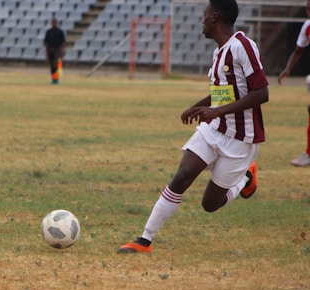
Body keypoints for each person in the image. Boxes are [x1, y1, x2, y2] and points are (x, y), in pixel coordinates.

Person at [118, 0, 269, 254]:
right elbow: (224, 94)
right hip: (214, 129)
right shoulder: (219, 52)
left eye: (204, 15)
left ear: (215, 17)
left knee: (210, 204)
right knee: (182, 175)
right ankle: (145, 239)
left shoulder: (243, 46)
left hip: (241, 139)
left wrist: (216, 111)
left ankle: (245, 179)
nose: (202, 20)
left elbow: (261, 92)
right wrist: (197, 106)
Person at [277, 0, 310, 167]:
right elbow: (298, 51)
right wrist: (288, 69)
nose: (308, 12)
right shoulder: (307, 27)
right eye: (307, 8)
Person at [43, 18, 66, 85]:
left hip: (57, 49)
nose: (54, 24)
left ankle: (57, 79)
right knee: (52, 65)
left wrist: (62, 51)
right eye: (53, 23)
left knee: (56, 64)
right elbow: (46, 43)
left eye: (55, 22)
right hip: (50, 49)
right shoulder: (48, 32)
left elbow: (63, 42)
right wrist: (47, 53)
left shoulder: (60, 32)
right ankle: (53, 79)